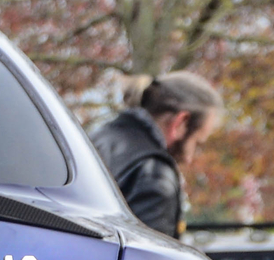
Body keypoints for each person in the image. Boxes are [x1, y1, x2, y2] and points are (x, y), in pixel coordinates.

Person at [89, 71, 223, 236]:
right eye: (196, 142)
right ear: (180, 122)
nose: (189, 158)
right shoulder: (153, 175)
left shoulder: (96, 139)